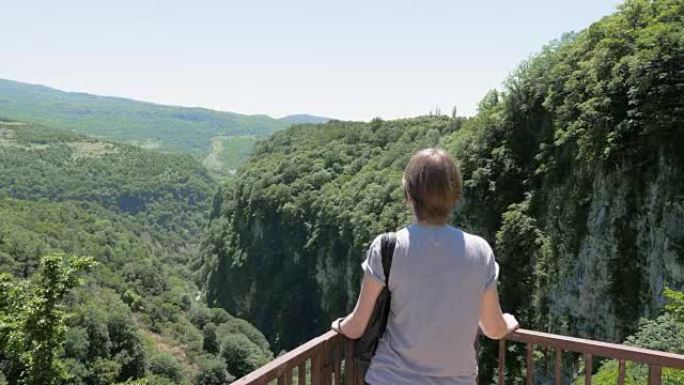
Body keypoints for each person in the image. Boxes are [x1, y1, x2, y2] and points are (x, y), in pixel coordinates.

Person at [331, 148, 519, 385]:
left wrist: (338, 325)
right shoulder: (480, 251)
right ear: (454, 194)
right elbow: (493, 328)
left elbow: (357, 326)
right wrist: (507, 323)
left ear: (408, 194)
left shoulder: (388, 247)